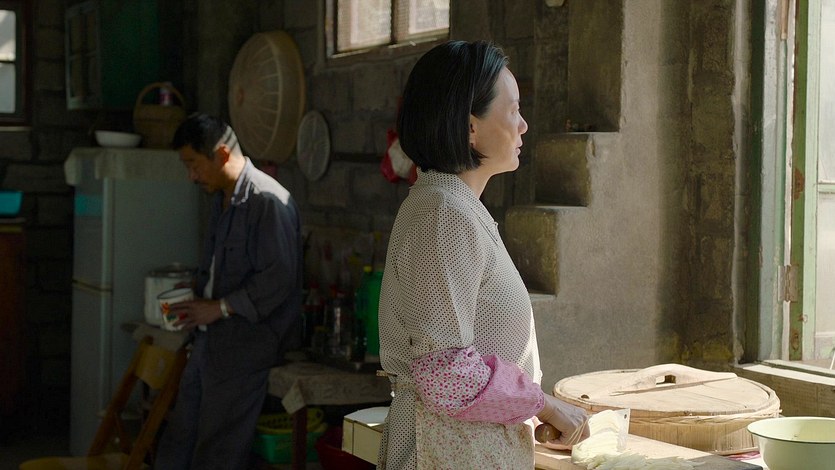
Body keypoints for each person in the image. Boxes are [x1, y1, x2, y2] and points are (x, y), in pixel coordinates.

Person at [376, 41, 589, 469]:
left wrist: (528, 409)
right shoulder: (444, 215)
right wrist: (545, 405)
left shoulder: (456, 207)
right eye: (513, 111)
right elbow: (446, 373)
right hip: (444, 452)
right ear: (470, 127)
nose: (523, 125)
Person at [154, 113, 303, 469]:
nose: (191, 176)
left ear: (221, 154)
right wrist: (197, 289)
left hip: (246, 348)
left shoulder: (267, 201)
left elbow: (278, 278)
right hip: (209, 342)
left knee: (217, 451)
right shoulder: (222, 198)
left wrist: (220, 307)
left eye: (193, 164)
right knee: (178, 440)